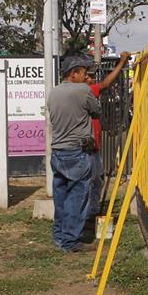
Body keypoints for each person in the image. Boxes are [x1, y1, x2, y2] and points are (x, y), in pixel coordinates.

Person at [47, 54, 101, 252]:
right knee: (77, 197)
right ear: (74, 73)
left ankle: (60, 236)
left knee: (61, 197)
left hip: (58, 151)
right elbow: (96, 110)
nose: (86, 77)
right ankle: (71, 242)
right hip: (76, 151)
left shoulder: (53, 92)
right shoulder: (82, 91)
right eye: (84, 73)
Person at [84, 51, 131, 221]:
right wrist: (122, 62)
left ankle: (91, 211)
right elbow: (106, 83)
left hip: (94, 147)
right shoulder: (87, 91)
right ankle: (88, 213)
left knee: (96, 180)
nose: (91, 79)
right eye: (88, 76)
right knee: (91, 181)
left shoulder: (84, 90)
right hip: (88, 149)